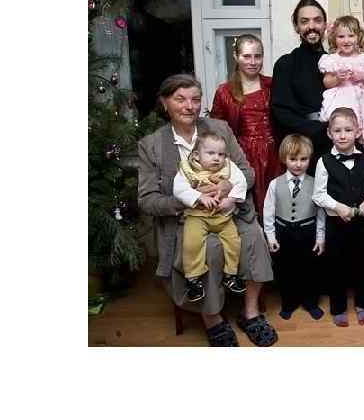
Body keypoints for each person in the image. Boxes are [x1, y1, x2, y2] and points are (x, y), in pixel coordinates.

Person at [138, 74, 278, 347]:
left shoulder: (219, 129)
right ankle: (212, 318)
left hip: (228, 212)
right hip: (186, 219)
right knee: (210, 248)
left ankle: (250, 313)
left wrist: (229, 187)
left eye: (195, 99)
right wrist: (190, 199)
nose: (189, 106)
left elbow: (247, 172)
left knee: (253, 237)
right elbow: (147, 200)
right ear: (164, 103)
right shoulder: (152, 145)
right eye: (180, 99)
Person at [312, 107, 364, 327]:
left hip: (363, 224)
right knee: (336, 266)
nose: (343, 135)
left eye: (348, 130)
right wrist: (337, 207)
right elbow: (318, 194)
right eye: (337, 131)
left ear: (357, 132)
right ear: (329, 133)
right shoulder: (323, 161)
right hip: (336, 224)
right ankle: (339, 307)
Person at [210, 34, 282, 217]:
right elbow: (216, 130)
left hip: (274, 154)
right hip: (243, 155)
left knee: (277, 206)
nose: (253, 62)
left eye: (258, 56)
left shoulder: (273, 85)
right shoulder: (225, 91)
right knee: (249, 209)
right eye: (247, 56)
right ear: (236, 56)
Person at [173, 132, 248, 303]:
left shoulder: (229, 167)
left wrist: (231, 199)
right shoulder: (188, 169)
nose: (217, 158)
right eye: (211, 153)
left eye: (221, 154)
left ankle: (230, 275)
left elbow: (241, 182)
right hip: (197, 217)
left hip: (223, 217)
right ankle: (193, 279)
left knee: (234, 242)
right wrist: (199, 197)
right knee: (192, 243)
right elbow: (179, 189)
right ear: (197, 155)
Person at [263, 134, 326, 321]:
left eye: (303, 159)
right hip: (284, 232)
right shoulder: (275, 184)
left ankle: (311, 302)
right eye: (293, 159)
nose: (298, 164)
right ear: (284, 159)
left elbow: (321, 213)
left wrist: (320, 238)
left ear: (310, 159)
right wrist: (271, 237)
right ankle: (288, 303)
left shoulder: (316, 184)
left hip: (308, 232)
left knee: (310, 269)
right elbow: (268, 212)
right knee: (286, 269)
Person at [271, 0, 330, 174]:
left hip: (336, 147)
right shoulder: (286, 64)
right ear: (296, 27)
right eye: (304, 21)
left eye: (317, 20)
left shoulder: (336, 63)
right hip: (303, 154)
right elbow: (281, 113)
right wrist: (320, 130)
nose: (311, 26)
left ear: (325, 25)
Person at [318, 15, 364, 133]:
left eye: (351, 36)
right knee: (343, 128)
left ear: (358, 37)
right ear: (334, 38)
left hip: (363, 101)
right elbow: (326, 82)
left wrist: (363, 76)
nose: (346, 40)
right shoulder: (332, 60)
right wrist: (337, 78)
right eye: (341, 36)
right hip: (341, 102)